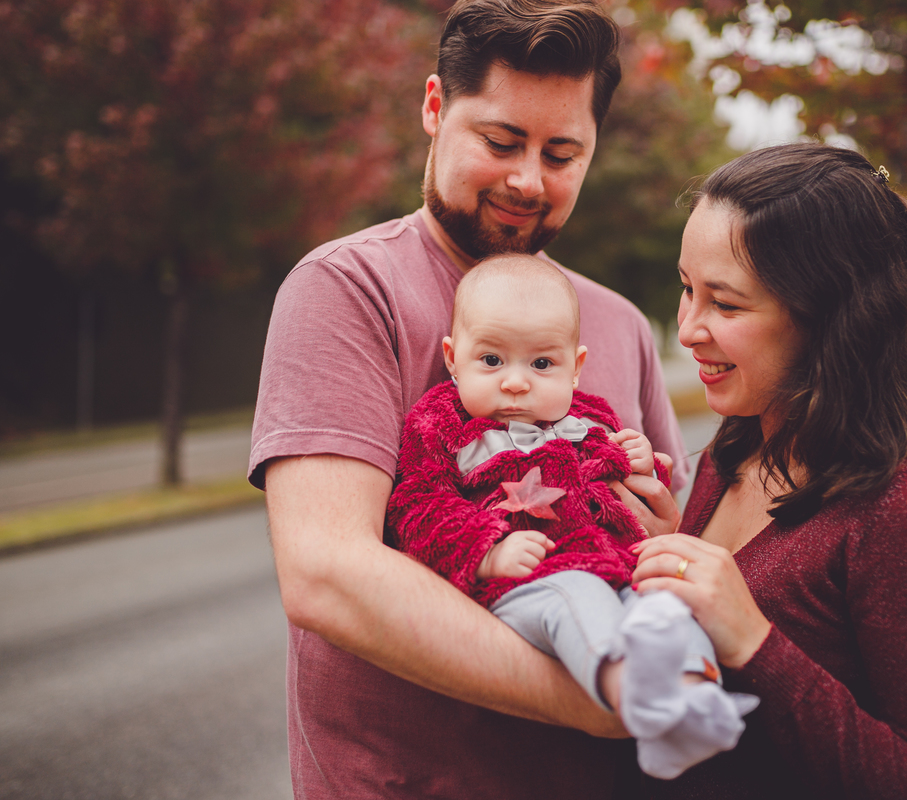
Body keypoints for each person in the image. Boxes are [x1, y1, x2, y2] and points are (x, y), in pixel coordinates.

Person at [248, 1, 686, 797]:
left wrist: (661, 535)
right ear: (434, 107)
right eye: (501, 142)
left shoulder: (619, 325)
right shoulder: (346, 289)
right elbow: (326, 572)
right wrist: (608, 698)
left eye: (562, 153)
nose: (528, 180)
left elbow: (678, 542)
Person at [628, 143, 907, 798]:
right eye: (687, 289)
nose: (687, 329)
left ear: (828, 318)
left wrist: (756, 646)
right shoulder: (733, 450)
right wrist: (662, 553)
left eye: (726, 304)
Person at [387, 255, 757, 780]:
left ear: (575, 367)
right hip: (529, 582)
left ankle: (697, 698)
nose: (516, 383)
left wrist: (639, 460)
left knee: (667, 601)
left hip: (614, 568)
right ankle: (640, 705)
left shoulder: (588, 417)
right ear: (453, 357)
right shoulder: (442, 422)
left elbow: (619, 488)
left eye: (542, 364)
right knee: (577, 600)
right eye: (491, 360)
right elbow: (417, 504)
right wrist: (487, 550)